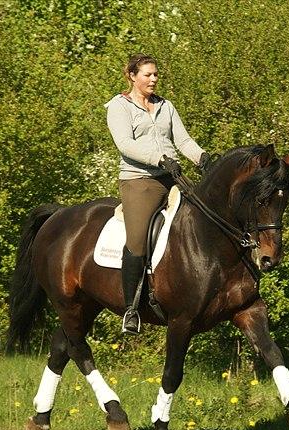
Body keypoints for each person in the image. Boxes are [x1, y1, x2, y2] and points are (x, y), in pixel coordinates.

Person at [105, 53, 210, 335]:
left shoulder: (165, 106)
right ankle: (130, 310)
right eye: (147, 75)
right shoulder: (119, 107)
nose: (153, 79)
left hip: (172, 177)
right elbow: (125, 144)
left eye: (155, 75)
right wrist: (159, 158)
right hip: (140, 180)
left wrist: (203, 159)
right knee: (138, 241)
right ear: (131, 75)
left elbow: (183, 140)